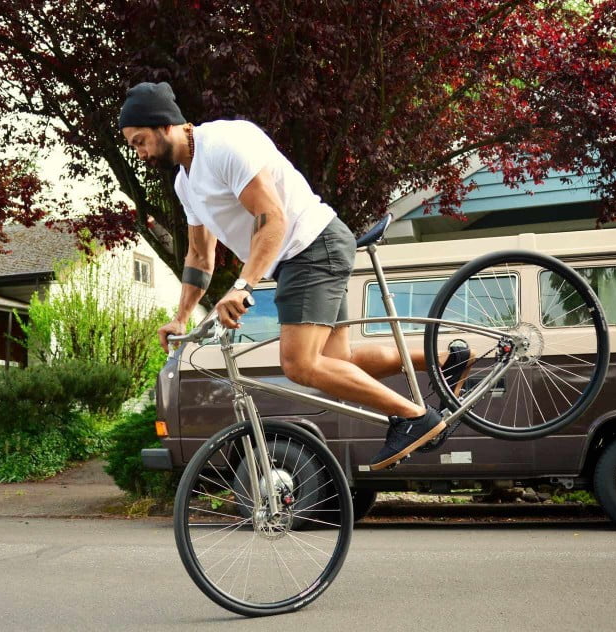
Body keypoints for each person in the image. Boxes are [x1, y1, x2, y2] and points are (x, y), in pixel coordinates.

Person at [119, 82, 467, 470]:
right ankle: (444, 359)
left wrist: (242, 287)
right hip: (302, 254)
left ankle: (416, 419)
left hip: (309, 245)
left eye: (140, 141)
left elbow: (273, 219)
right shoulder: (186, 182)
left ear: (164, 123)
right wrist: (182, 316)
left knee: (299, 365)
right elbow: (200, 254)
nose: (140, 153)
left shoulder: (223, 144)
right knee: (338, 361)